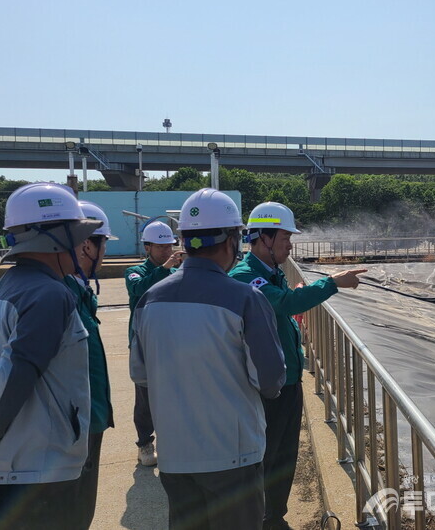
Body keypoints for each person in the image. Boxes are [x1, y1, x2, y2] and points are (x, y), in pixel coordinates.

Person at [130, 188, 286, 529]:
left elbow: (140, 375)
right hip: (234, 456)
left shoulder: (150, 299)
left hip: (175, 458)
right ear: (233, 239)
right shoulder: (246, 297)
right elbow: (271, 382)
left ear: (184, 239)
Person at [0, 183, 101, 530]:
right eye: (76, 234)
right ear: (55, 237)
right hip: (30, 478)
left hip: (2, 474)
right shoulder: (48, 295)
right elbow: (9, 380)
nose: (82, 245)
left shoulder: (1, 291)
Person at [230, 201, 365, 530]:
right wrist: (332, 282)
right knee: (267, 456)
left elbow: (283, 306)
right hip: (267, 385)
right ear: (264, 238)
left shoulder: (270, 272)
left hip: (287, 378)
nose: (290, 245)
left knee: (284, 455)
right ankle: (261, 518)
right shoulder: (247, 277)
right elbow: (286, 303)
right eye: (285, 239)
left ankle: (275, 516)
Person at [65, 200, 116, 529]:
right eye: (104, 244)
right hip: (75, 428)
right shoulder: (62, 297)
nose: (105, 254)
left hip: (87, 421)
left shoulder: (78, 293)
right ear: (87, 244)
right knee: (74, 513)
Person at [124, 219, 183, 467]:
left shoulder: (176, 271)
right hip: (144, 343)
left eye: (169, 246)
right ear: (147, 247)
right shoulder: (136, 271)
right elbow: (139, 289)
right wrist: (166, 268)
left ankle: (172, 441)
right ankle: (144, 444)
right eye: (160, 247)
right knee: (145, 396)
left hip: (170, 341)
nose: (167, 251)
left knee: (174, 394)